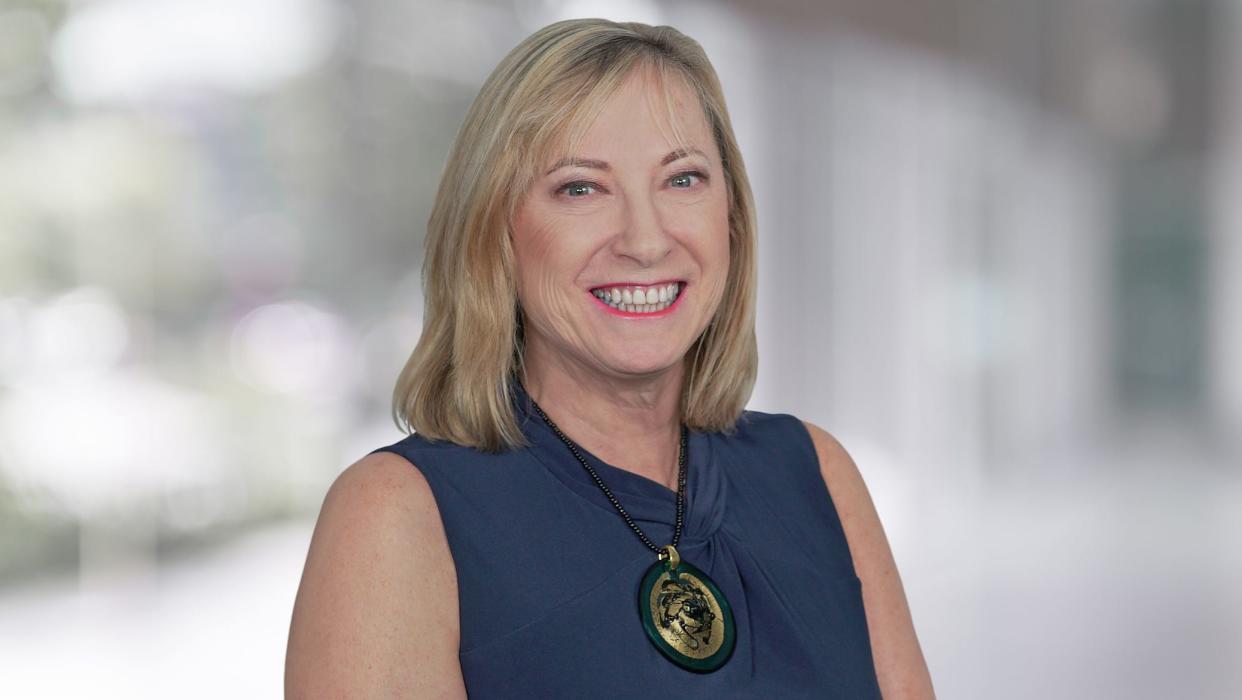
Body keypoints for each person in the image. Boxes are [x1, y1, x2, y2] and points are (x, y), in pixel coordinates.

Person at [286, 18, 934, 699]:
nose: (645, 240)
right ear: (494, 232)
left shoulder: (817, 471)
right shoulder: (397, 515)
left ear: (732, 218)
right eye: (580, 188)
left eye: (682, 179)